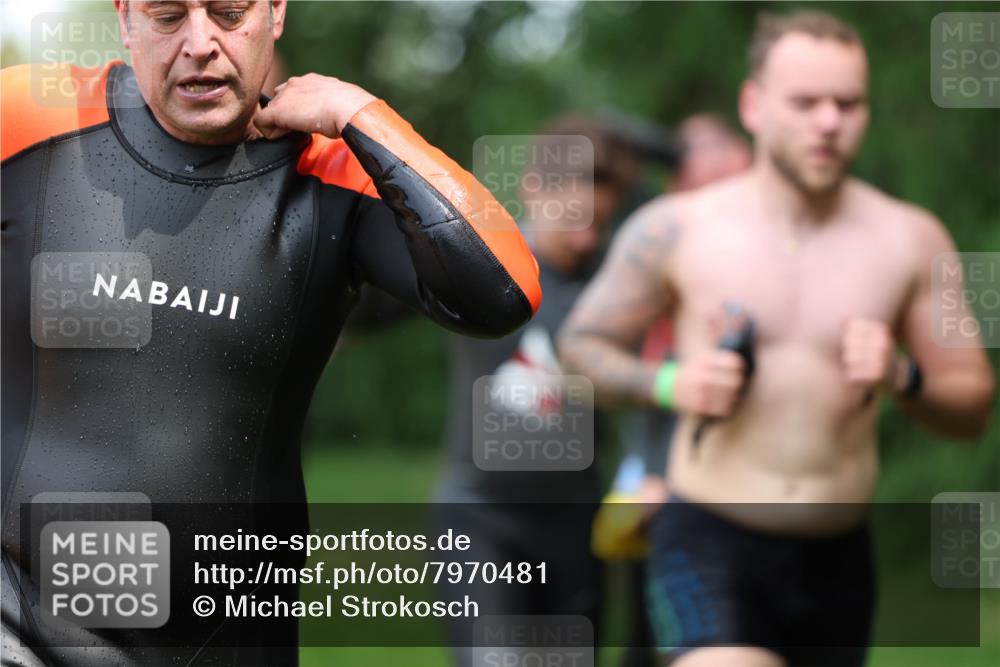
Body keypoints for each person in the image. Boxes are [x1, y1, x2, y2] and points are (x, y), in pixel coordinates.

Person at [1, 2, 540, 665]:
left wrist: (362, 116)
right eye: (168, 15)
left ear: (275, 14)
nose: (200, 42)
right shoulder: (30, 117)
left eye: (228, 13)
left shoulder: (331, 168)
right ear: (125, 19)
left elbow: (503, 290)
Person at [558, 10, 995, 667]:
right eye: (806, 102)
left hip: (839, 556)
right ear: (754, 105)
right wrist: (671, 382)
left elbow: (973, 404)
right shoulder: (676, 228)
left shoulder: (912, 239)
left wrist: (903, 376)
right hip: (708, 538)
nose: (828, 122)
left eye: (847, 103)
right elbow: (579, 348)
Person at [433, 116, 641, 666]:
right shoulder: (485, 261)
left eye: (602, 206)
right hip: (481, 519)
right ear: (534, 188)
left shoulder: (621, 281)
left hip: (576, 522)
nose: (587, 228)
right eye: (574, 207)